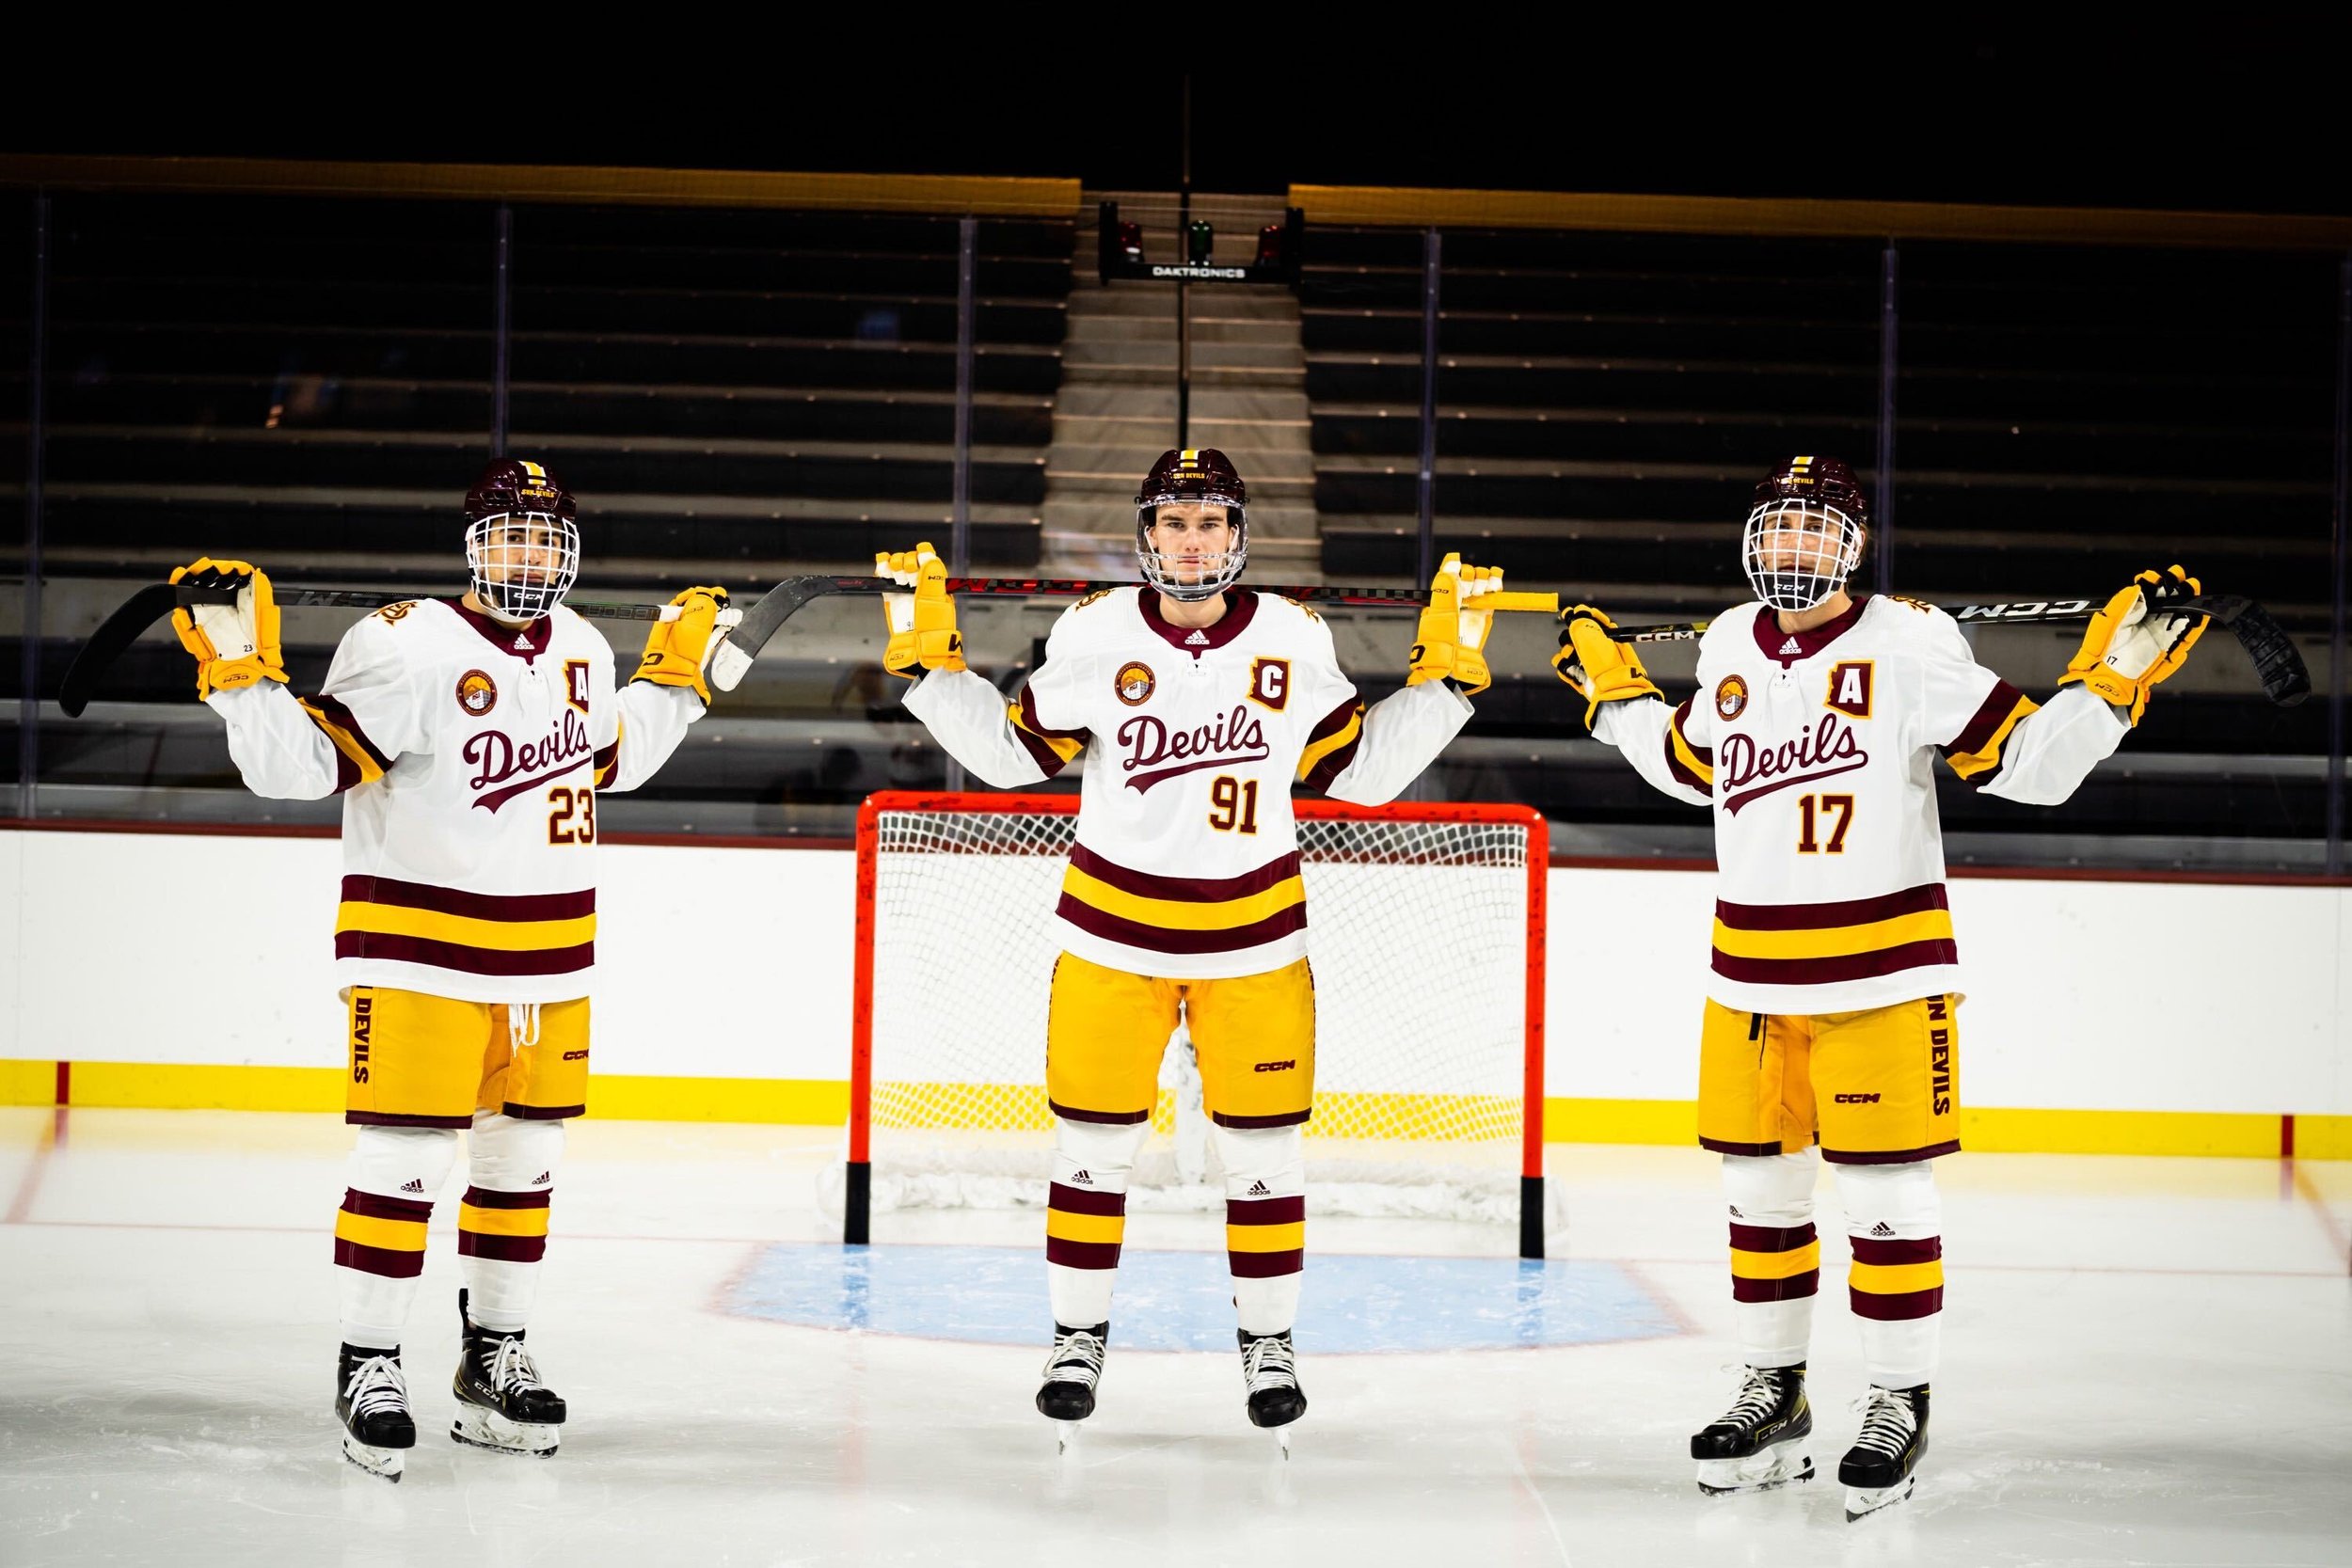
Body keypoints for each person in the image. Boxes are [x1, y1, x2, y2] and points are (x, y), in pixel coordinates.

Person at [1552, 454, 2206, 1520]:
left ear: (1853, 547)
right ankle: (1776, 1387)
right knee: (1757, 1196)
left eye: (1817, 531)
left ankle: (1899, 1399)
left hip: (1884, 975)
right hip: (1751, 979)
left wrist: (2108, 679)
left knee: (1887, 1203)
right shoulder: (1726, 640)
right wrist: (1617, 694)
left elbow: (2030, 766)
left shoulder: (1910, 641)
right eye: (1779, 528)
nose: (1794, 550)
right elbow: (1690, 762)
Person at [881, 448, 1498, 1436]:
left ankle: (1266, 1345)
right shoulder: (1091, 629)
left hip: (1254, 945)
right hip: (1109, 939)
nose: (1191, 540)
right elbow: (1009, 757)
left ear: (1239, 535)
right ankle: (1076, 1338)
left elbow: (1363, 777)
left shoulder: (1296, 638)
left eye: (1209, 521)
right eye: (1172, 521)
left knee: (1264, 1162)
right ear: (1145, 534)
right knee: (1090, 1152)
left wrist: (1445, 684)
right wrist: (933, 671)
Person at [171, 458, 739, 1481]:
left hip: (550, 961)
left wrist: (675, 681)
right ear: (472, 547)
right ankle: (369, 1361)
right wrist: (246, 681)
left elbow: (604, 760)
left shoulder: (579, 644)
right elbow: (300, 769)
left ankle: (492, 1355)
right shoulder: (398, 643)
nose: (528, 556)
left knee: (520, 1170)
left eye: (546, 540)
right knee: (398, 1166)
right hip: (419, 953)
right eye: (511, 536)